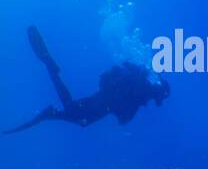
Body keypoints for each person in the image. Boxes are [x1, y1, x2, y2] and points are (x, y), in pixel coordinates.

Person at [4, 26, 170, 134]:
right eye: (162, 96)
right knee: (77, 115)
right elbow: (124, 114)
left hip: (103, 100)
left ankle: (52, 108)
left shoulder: (143, 87)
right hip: (104, 102)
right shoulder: (144, 89)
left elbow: (123, 112)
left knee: (79, 116)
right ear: (160, 90)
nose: (160, 99)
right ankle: (50, 70)